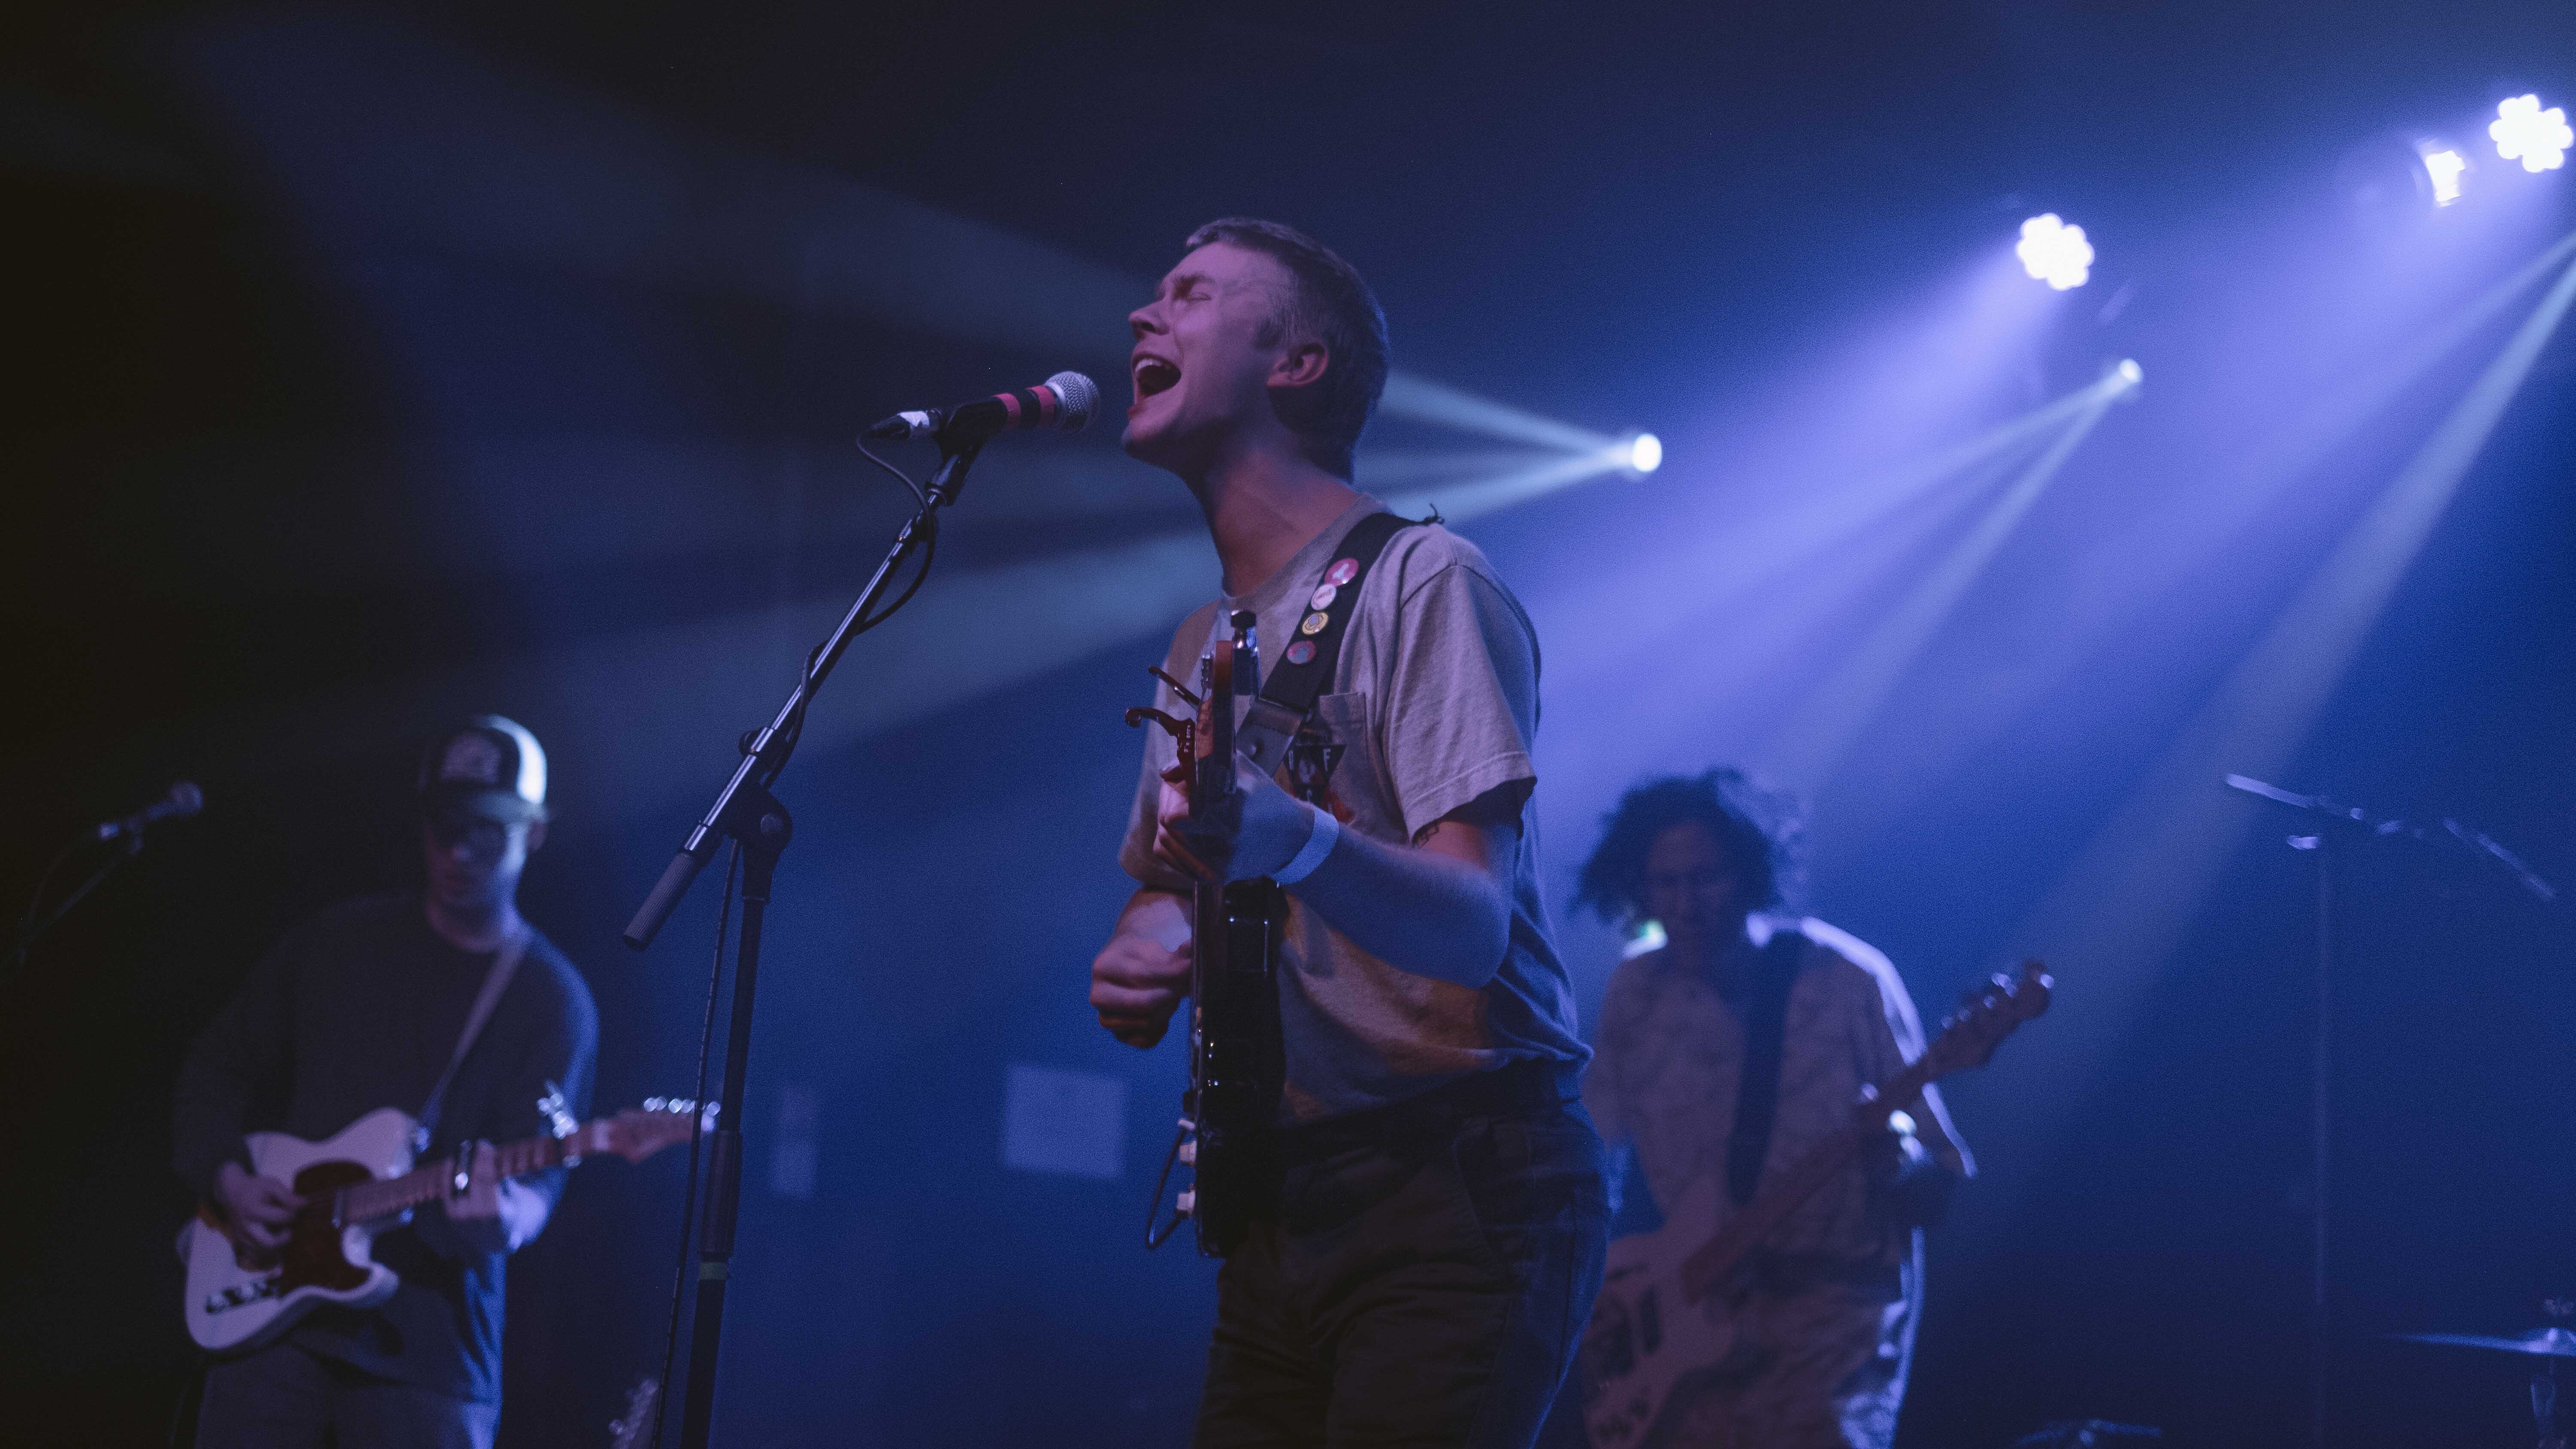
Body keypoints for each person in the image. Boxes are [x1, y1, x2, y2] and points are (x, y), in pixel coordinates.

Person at [1088, 217, 1608, 1448]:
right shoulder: (1201, 642)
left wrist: (1297, 842)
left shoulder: (1426, 578)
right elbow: (1176, 879)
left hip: (1460, 1181)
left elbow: (1473, 925)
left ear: (1298, 361)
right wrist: (1147, 938)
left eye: (1192, 293)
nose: (1144, 315)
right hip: (1284, 1197)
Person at [173, 716, 599, 1449]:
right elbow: (216, 1068)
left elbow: (539, 1182)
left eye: (486, 832)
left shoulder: (550, 999)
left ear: (533, 833)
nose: (459, 852)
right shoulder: (337, 942)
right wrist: (232, 1182)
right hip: (270, 1328)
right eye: (444, 828)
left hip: (429, 1357)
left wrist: (504, 1221)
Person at [1574, 770, 1968, 1449]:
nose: (1687, 904)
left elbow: (1942, 1172)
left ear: (1751, 874)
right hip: (1691, 1321)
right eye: (1666, 883)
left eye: (1707, 879)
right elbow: (1590, 1160)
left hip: (1834, 1323)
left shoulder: (1847, 979)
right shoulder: (1635, 993)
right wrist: (1604, 1292)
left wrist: (1899, 1159)